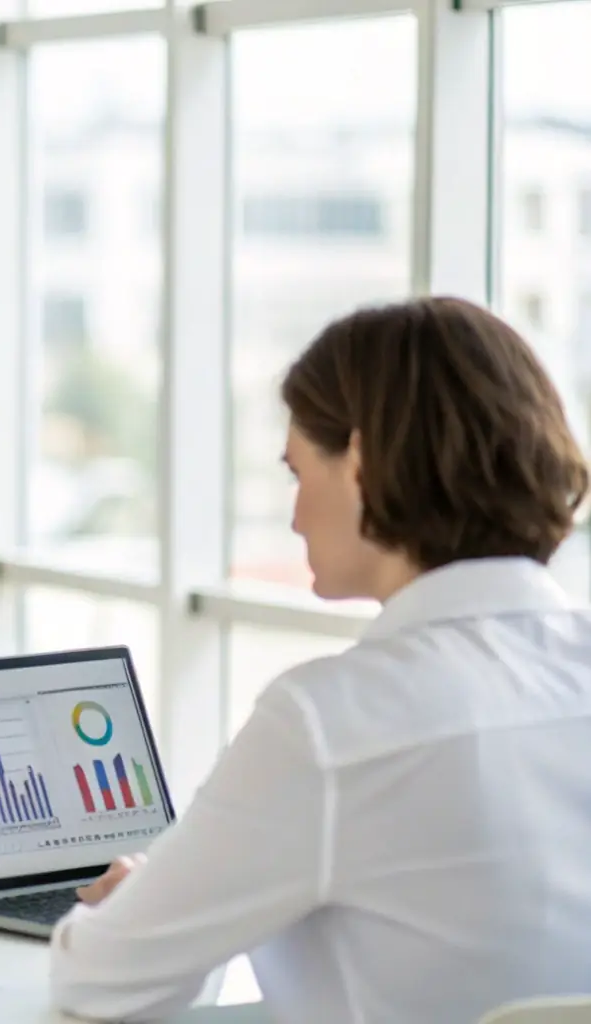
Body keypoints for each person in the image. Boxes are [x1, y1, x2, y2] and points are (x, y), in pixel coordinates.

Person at [49, 296, 591, 1023]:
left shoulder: (326, 722)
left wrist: (146, 912)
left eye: (298, 472)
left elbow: (99, 987)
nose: (295, 515)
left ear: (361, 463)